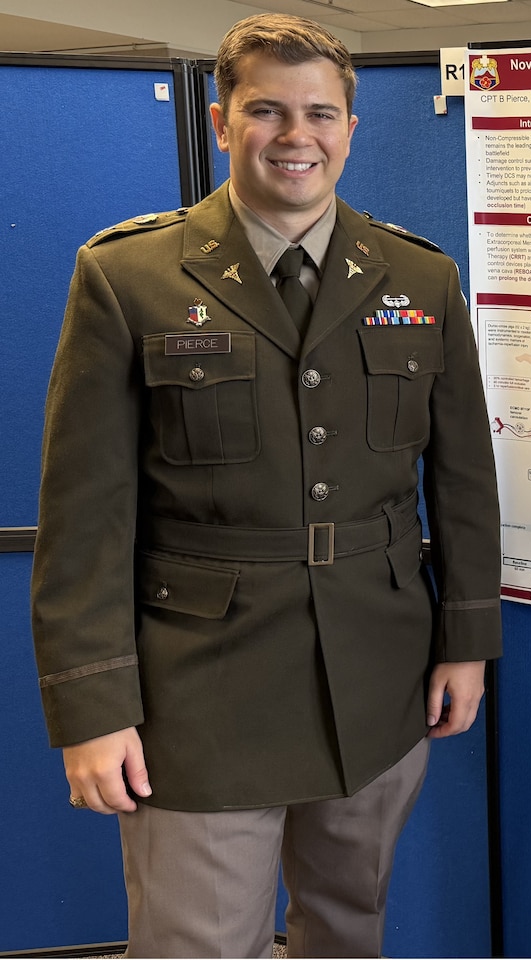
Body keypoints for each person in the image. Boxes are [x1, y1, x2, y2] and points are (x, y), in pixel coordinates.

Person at [30, 13, 502, 957]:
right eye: (268, 111)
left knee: (346, 928)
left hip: (377, 673)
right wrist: (91, 707)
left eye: (321, 114)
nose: (298, 137)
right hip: (201, 691)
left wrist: (467, 643)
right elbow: (84, 514)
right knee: (195, 944)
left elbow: (460, 482)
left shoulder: (422, 276)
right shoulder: (129, 276)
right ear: (220, 122)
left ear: (352, 130)